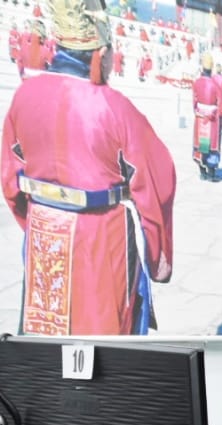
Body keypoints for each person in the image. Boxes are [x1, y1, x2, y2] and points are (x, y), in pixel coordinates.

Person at [2, 0, 175, 335]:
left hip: (43, 233)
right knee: (100, 340)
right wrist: (157, 252)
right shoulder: (114, 107)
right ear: (102, 53)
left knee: (45, 340)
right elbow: (156, 180)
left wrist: (35, 218)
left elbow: (10, 176)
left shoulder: (24, 96)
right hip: (101, 240)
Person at [192, 52, 222, 181]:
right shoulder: (215, 85)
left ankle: (202, 172)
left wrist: (199, 112)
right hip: (212, 119)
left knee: (201, 144)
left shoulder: (196, 83)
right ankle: (211, 173)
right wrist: (220, 119)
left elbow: (194, 102)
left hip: (200, 117)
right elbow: (220, 104)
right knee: (211, 146)